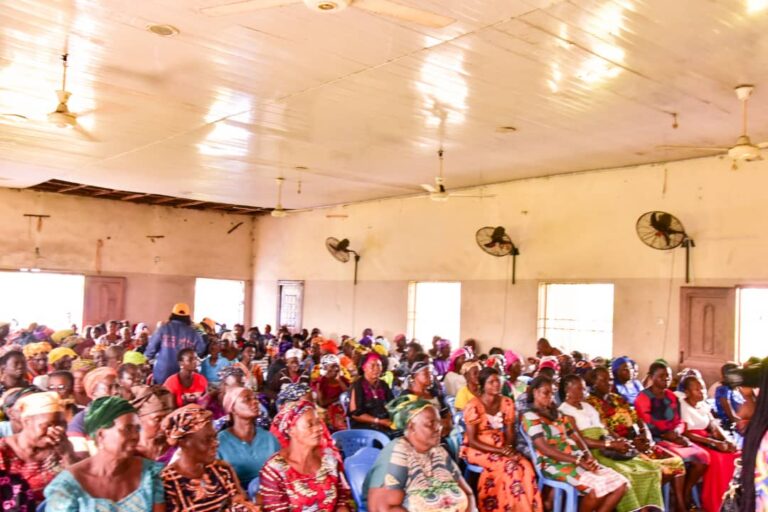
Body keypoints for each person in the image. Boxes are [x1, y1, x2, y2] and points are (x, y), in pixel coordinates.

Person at [558, 374, 664, 512]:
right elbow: (579, 440)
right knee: (625, 474)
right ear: (567, 390)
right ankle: (634, 509)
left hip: (608, 445)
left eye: (584, 389)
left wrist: (618, 439)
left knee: (651, 468)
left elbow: (604, 428)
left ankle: (645, 509)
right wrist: (609, 445)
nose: (584, 392)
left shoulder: (587, 406)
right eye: (579, 389)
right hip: (592, 452)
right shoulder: (564, 411)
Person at [522, 376, 628, 512]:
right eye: (545, 393)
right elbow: (545, 449)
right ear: (535, 392)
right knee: (598, 488)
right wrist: (577, 460)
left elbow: (576, 437)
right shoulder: (530, 417)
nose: (550, 397)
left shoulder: (557, 414)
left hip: (574, 458)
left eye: (552, 393)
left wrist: (588, 455)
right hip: (553, 463)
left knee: (620, 484)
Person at [586, 366, 686, 510]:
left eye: (611, 379)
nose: (609, 383)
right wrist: (632, 443)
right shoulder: (591, 403)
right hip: (620, 447)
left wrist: (646, 435)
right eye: (604, 380)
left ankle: (678, 504)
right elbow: (604, 431)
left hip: (637, 441)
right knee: (646, 472)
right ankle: (642, 506)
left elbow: (638, 419)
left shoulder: (617, 398)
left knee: (676, 463)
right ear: (594, 382)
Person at [45, 396, 165, 511]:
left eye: (137, 429)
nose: (135, 436)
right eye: (127, 429)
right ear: (101, 435)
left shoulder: (150, 474)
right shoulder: (66, 487)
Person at [365, 396, 477, 512]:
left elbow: (468, 493)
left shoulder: (438, 451)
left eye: (439, 422)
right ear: (411, 427)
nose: (438, 428)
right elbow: (381, 508)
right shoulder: (396, 454)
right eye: (430, 424)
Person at [462, 367, 541, 512]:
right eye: (491, 382)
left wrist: (509, 448)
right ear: (482, 385)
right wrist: (501, 451)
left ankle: (524, 507)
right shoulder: (473, 405)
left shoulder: (507, 402)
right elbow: (472, 440)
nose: (496, 385)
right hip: (479, 448)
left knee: (526, 465)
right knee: (511, 467)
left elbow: (510, 432)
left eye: (498, 381)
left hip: (501, 445)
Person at [635, 362, 709, 509]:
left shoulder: (672, 396)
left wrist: (676, 432)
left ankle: (686, 492)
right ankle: (680, 503)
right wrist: (667, 435)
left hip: (673, 436)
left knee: (702, 457)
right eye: (661, 376)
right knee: (678, 461)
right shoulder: (643, 397)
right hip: (656, 439)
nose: (666, 379)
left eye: (668, 376)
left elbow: (679, 420)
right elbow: (647, 424)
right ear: (651, 377)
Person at [160, 404, 258, 511]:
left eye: (215, 437)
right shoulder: (168, 483)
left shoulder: (222, 470)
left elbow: (241, 503)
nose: (215, 443)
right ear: (183, 443)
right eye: (207, 440)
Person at [260, 400, 353, 511]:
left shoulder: (329, 459)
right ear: (291, 430)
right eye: (310, 425)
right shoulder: (275, 470)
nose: (319, 428)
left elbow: (341, 502)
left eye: (319, 422)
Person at [0, 391, 76, 510]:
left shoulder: (62, 448)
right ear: (26, 422)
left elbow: (80, 488)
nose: (56, 431)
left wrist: (68, 455)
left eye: (62, 424)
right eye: (48, 425)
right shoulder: (3, 451)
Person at [679, 375, 740, 512]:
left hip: (708, 439)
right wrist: (713, 443)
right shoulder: (683, 405)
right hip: (693, 441)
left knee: (735, 454)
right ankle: (712, 500)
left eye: (703, 388)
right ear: (687, 392)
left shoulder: (703, 405)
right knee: (718, 458)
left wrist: (727, 440)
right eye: (697, 389)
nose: (702, 392)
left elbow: (713, 425)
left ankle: (730, 498)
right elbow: (686, 432)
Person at [216, 386, 280, 488]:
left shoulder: (269, 438)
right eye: (247, 399)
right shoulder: (220, 442)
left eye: (255, 398)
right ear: (232, 408)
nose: (255, 402)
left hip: (269, 495)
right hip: (236, 498)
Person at [145, 303, 206, 385]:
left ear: (172, 314)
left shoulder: (163, 329)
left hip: (162, 374)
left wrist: (149, 360)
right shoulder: (194, 332)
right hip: (183, 376)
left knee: (161, 395)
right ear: (188, 317)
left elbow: (150, 351)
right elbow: (201, 351)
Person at [403, 358, 452, 437]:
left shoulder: (435, 393)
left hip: (442, 431)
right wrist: (438, 423)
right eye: (426, 374)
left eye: (431, 373)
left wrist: (448, 426)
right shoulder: (407, 395)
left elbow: (446, 413)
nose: (430, 376)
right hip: (421, 433)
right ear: (415, 376)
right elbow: (410, 421)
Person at [348, 352, 395, 434]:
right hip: (364, 426)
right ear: (364, 367)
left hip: (383, 422)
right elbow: (356, 415)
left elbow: (392, 404)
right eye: (372, 365)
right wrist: (378, 421)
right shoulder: (357, 385)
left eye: (379, 365)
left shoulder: (383, 384)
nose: (376, 368)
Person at [130, 385, 177, 462]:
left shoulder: (177, 449)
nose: (166, 424)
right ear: (138, 419)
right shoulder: (129, 453)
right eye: (158, 419)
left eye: (169, 417)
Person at [314, 354, 350, 432]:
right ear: (326, 368)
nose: (335, 369)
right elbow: (322, 403)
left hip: (343, 409)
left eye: (336, 366)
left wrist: (339, 380)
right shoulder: (321, 382)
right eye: (332, 366)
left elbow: (349, 395)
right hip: (329, 412)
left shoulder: (343, 380)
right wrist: (339, 398)